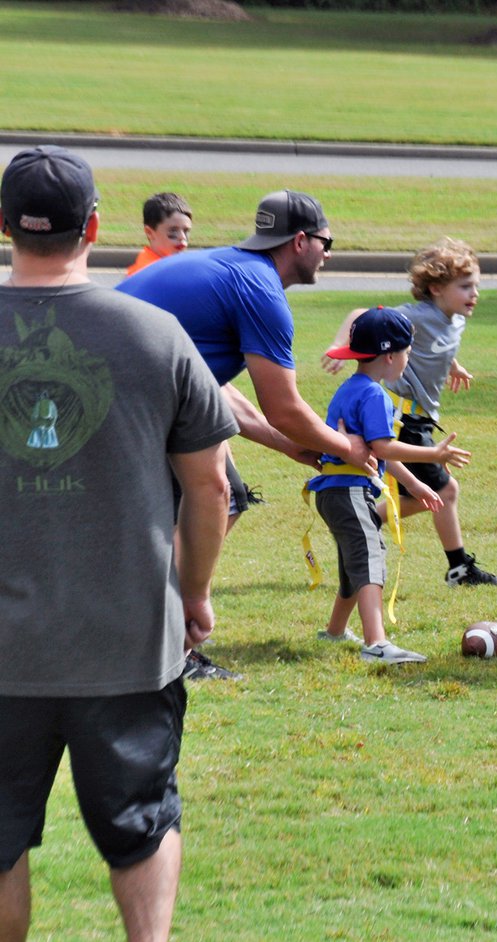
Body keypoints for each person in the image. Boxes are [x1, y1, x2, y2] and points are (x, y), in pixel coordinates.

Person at [0, 145, 235, 942]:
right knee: (141, 822)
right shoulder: (155, 335)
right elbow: (209, 487)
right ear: (95, 226)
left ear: (3, 227)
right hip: (129, 640)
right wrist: (193, 592)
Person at [117, 189, 373, 680]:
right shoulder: (260, 290)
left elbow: (213, 390)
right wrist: (347, 448)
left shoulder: (231, 269)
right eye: (326, 240)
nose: (329, 252)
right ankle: (174, 640)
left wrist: (292, 446)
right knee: (205, 495)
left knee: (225, 496)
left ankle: (154, 630)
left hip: (123, 391)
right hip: (125, 402)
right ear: (300, 241)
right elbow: (284, 407)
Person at [322, 237, 497, 590]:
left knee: (419, 496)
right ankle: (459, 569)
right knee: (446, 490)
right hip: (405, 419)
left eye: (476, 285)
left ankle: (367, 522)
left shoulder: (454, 318)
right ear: (437, 288)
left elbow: (437, 345)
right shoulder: (420, 315)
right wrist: (339, 346)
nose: (474, 294)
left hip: (421, 418)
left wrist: (453, 365)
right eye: (465, 286)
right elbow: (362, 316)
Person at [311, 306, 474, 663]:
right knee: (369, 558)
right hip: (349, 490)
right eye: (407, 354)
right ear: (389, 356)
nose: (407, 360)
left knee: (353, 564)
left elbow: (375, 450)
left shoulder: (353, 387)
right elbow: (383, 447)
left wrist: (414, 486)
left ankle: (335, 631)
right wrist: (434, 456)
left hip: (336, 491)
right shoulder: (374, 395)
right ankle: (376, 643)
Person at [125, 192, 192, 276]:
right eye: (173, 231)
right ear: (149, 232)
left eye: (186, 231)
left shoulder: (174, 265)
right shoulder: (148, 272)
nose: (182, 237)